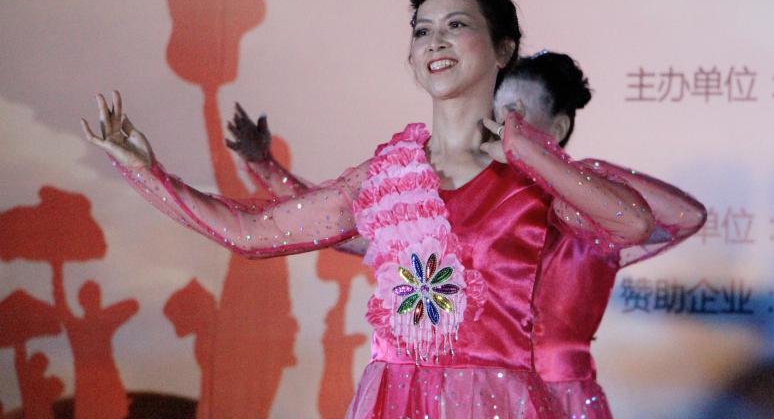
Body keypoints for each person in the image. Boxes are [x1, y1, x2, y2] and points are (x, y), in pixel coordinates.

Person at [82, 0, 703, 418]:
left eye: (456, 25)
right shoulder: (386, 177)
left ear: (503, 49)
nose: (435, 41)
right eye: (421, 30)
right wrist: (147, 171)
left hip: (498, 401)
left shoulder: (533, 174)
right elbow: (250, 234)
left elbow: (632, 223)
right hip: (394, 399)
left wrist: (530, 150)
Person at [228, 49, 708, 417]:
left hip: (563, 400)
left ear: (558, 126)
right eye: (497, 110)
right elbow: (354, 230)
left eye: (516, 112)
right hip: (476, 395)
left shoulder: (597, 209)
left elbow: (684, 216)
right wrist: (267, 169)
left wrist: (576, 171)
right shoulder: (481, 196)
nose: (501, 123)